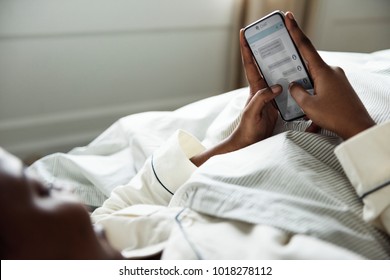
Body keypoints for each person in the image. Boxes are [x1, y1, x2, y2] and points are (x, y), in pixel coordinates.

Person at [1, 11, 389, 259]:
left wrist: (236, 143)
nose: (65, 191)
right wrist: (357, 127)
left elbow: (116, 207)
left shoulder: (110, 239)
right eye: (43, 192)